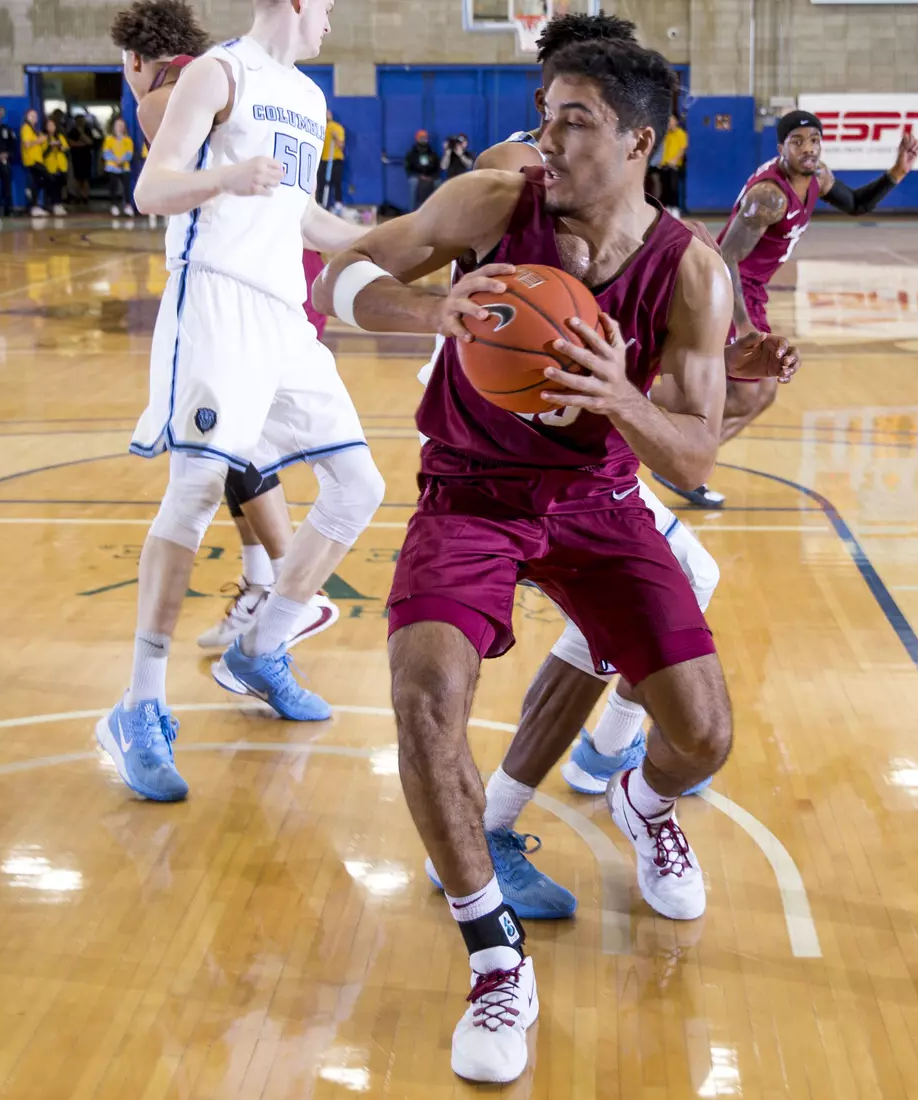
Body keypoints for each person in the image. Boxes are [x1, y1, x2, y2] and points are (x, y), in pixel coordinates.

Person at [317, 36, 736, 1083]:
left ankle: (645, 800)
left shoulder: (690, 272)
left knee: (706, 733)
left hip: (596, 502)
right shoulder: (496, 201)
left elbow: (693, 452)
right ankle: (494, 955)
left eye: (575, 118)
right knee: (422, 699)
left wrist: (618, 396)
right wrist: (426, 310)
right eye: (545, 111)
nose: (544, 134)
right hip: (468, 490)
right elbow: (341, 272)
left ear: (640, 140)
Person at [106, 0, 380, 802]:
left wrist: (388, 240)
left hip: (282, 314)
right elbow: (152, 190)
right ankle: (140, 704)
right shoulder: (214, 74)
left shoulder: (307, 96)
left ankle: (261, 649)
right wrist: (225, 176)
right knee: (192, 493)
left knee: (359, 484)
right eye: (327, 4)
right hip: (216, 301)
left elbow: (303, 217)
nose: (332, 16)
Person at [114, 0, 345, 665]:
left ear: (134, 60)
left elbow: (164, 189)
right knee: (230, 453)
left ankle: (282, 583)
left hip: (256, 279)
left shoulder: (177, 93)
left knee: (221, 459)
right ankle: (263, 586)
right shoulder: (250, 75)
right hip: (275, 273)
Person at [657, 108, 917, 510]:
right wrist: (743, 326)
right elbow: (726, 258)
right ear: (781, 149)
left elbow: (856, 204)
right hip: (726, 287)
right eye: (798, 142)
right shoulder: (770, 196)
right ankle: (653, 422)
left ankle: (681, 461)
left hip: (752, 291)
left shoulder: (819, 177)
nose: (808, 149)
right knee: (748, 395)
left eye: (814, 140)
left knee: (761, 396)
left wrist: (896, 173)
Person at [20, 107, 56, 215]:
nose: (34, 118)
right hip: (32, 160)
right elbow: (27, 144)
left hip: (38, 159)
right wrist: (39, 140)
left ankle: (33, 200)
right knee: (48, 178)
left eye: (36, 116)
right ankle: (33, 200)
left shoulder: (35, 129)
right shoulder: (26, 128)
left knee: (38, 181)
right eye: (32, 116)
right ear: (27, 117)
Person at [102, 118, 135, 215]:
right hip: (112, 167)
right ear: (114, 127)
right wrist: (115, 160)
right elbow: (106, 152)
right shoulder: (109, 139)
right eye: (118, 125)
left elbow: (129, 153)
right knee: (113, 187)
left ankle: (128, 206)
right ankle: (114, 206)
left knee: (126, 188)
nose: (120, 127)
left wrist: (122, 160)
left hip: (124, 167)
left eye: (122, 125)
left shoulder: (128, 140)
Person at [656, 111, 687, 214]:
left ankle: (675, 210)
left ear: (676, 121)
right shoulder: (666, 134)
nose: (669, 122)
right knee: (665, 189)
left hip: (674, 166)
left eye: (671, 120)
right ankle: (667, 210)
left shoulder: (681, 134)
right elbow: (662, 150)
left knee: (674, 189)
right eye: (668, 120)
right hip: (664, 165)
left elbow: (682, 149)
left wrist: (674, 160)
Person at [40, 116, 71, 214]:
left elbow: (66, 149)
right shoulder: (42, 137)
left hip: (61, 166)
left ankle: (58, 204)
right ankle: (54, 204)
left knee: (60, 185)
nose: (51, 127)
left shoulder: (60, 136)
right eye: (49, 125)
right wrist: (50, 146)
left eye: (52, 125)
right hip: (49, 166)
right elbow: (42, 153)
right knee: (51, 186)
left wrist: (59, 146)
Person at [404, 129, 441, 207]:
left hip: (431, 176)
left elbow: (437, 167)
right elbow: (408, 168)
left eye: (424, 138)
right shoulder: (411, 154)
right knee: (413, 183)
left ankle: (437, 208)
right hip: (416, 176)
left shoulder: (432, 153)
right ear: (417, 139)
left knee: (438, 183)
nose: (423, 139)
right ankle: (412, 210)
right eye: (421, 138)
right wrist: (419, 176)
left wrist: (431, 176)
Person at [317, 109, 345, 207]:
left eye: (328, 114)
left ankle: (338, 204)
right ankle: (320, 203)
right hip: (323, 160)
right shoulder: (320, 127)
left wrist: (335, 137)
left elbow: (341, 145)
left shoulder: (337, 128)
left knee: (337, 182)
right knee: (320, 183)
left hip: (336, 159)